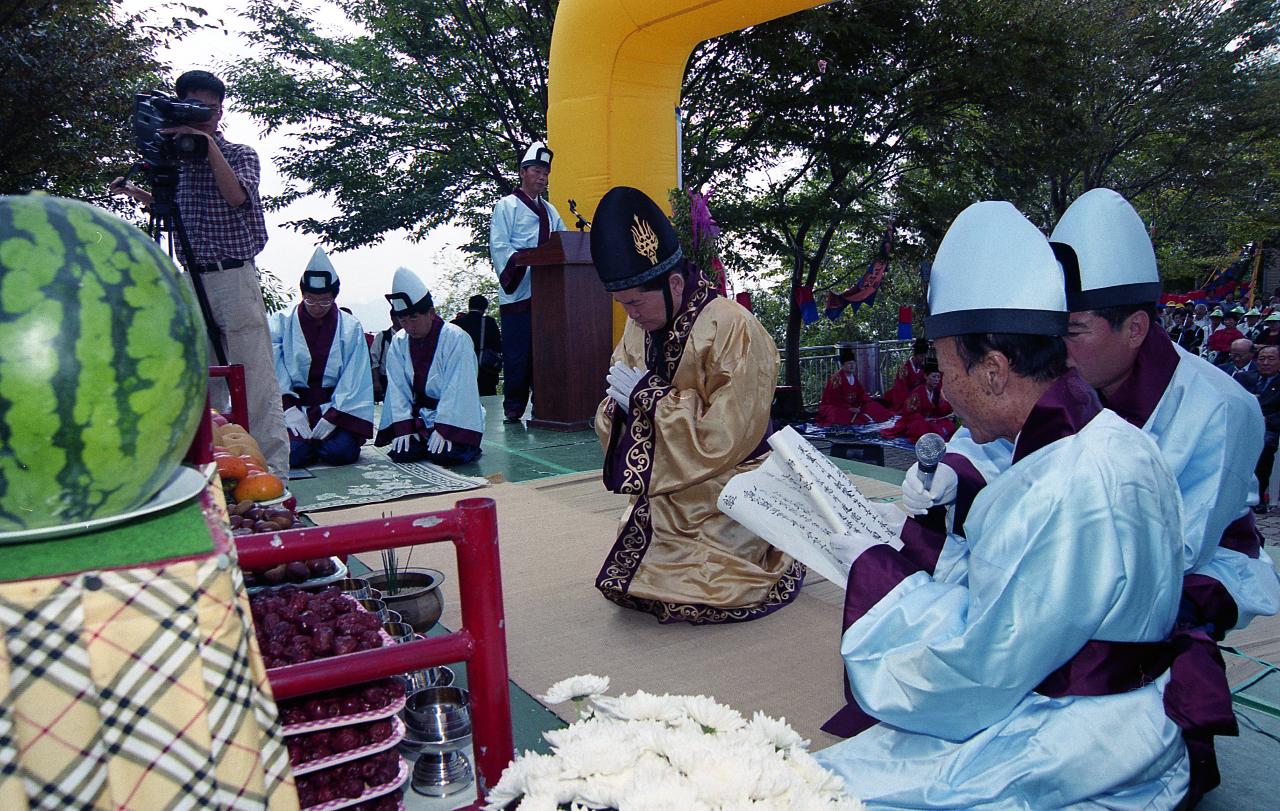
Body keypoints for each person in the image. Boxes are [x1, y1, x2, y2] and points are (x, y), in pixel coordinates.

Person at [894, 189, 1279, 801]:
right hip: (1069, 552)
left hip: (1186, 568)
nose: (1054, 346)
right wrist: (951, 481)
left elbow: (1174, 545)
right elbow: (986, 447)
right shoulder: (1059, 388)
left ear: (1135, 328)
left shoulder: (1222, 409)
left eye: (1070, 330)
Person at [816, 200, 1190, 806]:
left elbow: (976, 669)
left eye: (944, 371)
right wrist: (916, 541)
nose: (943, 392)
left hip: (1080, 739)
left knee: (836, 788)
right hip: (1126, 709)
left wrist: (875, 574)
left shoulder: (1065, 484)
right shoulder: (1108, 442)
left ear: (992, 370)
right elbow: (1027, 591)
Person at [590, 186, 802, 625]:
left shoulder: (732, 325)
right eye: (622, 304)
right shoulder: (638, 329)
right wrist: (618, 408)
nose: (630, 315)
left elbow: (729, 433)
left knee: (713, 566)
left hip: (735, 474)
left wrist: (650, 399)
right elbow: (617, 399)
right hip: (673, 478)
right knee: (653, 539)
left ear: (673, 283)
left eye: (635, 301)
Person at [109, 70, 289, 476]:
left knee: (254, 381)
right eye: (195, 107)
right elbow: (173, 214)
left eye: (210, 109)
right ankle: (208, 475)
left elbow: (236, 196)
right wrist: (135, 191)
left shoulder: (240, 153)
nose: (204, 115)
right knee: (199, 381)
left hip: (234, 277)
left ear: (221, 111)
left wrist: (207, 145)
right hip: (191, 276)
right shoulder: (176, 162)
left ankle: (273, 479)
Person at [268, 248, 374, 468]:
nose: (317, 307)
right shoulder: (281, 322)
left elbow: (355, 377)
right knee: (292, 455)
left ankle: (323, 440)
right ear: (303, 295)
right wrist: (288, 408)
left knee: (340, 453)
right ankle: (304, 442)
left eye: (324, 301)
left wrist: (333, 416)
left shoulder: (350, 326)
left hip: (334, 405)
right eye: (310, 300)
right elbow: (273, 369)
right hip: (296, 406)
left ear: (334, 297)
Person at [488, 140, 566, 422]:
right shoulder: (506, 207)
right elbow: (499, 246)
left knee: (545, 352)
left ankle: (546, 405)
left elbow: (563, 244)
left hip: (547, 293)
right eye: (537, 171)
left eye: (546, 173)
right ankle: (513, 407)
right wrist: (527, 260)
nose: (542, 177)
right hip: (519, 291)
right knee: (518, 353)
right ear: (523, 172)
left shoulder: (551, 210)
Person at [375, 267, 483, 465]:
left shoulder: (456, 338)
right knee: (403, 453)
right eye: (403, 320)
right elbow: (397, 390)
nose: (409, 326)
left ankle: (461, 442)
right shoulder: (399, 341)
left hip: (456, 416)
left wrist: (444, 427)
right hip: (420, 416)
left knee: (446, 455)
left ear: (431, 313)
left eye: (414, 318)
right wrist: (404, 427)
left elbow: (458, 389)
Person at [451, 294, 503, 396]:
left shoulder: (455, 324)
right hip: (486, 372)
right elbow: (498, 346)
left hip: (461, 371)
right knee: (488, 405)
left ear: (469, 306)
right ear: (484, 308)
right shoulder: (489, 323)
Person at [814, 345, 873, 426]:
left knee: (872, 408)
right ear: (842, 365)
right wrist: (849, 408)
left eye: (853, 363)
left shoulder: (854, 378)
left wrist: (866, 401)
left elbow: (861, 393)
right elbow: (834, 399)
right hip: (835, 406)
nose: (852, 366)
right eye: (849, 364)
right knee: (839, 415)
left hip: (851, 405)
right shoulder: (836, 378)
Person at [1252, 345, 1280, 513]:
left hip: (1269, 429)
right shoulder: (1245, 378)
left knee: (1264, 444)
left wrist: (1266, 420)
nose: (1266, 362)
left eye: (1271, 359)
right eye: (1262, 359)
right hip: (1242, 426)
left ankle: (1259, 495)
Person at [879, 337, 928, 409]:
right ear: (915, 354)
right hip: (904, 396)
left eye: (924, 356)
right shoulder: (904, 367)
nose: (923, 359)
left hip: (918, 396)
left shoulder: (923, 367)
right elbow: (901, 387)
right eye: (921, 356)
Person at [369, 311, 402, 403]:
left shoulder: (410, 336)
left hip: (405, 379)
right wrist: (376, 381)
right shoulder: (382, 336)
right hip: (386, 378)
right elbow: (374, 361)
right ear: (392, 317)